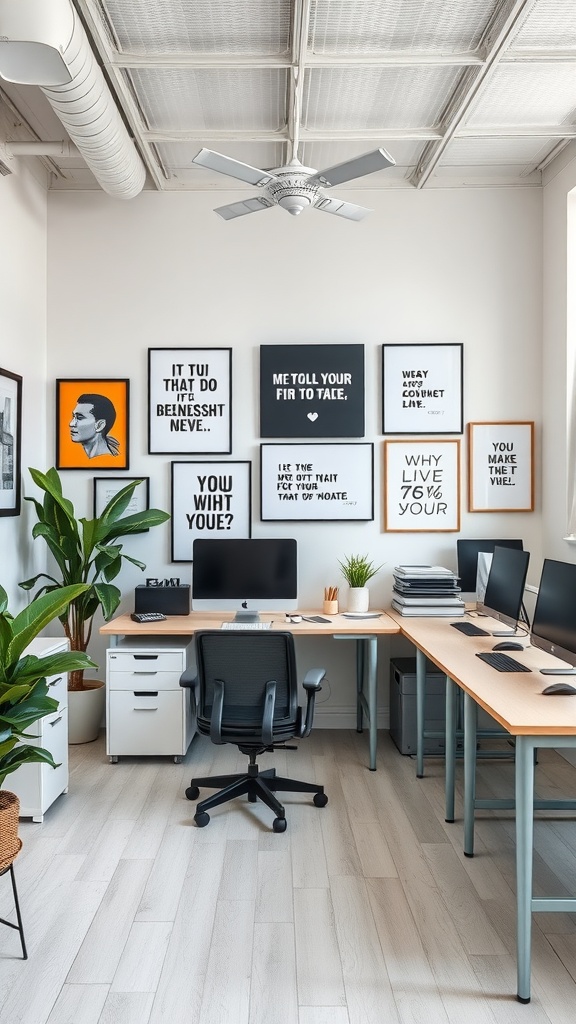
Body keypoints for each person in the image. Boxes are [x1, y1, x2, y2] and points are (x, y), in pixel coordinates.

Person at [69, 393, 120, 458]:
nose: (71, 424)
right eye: (73, 417)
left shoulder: (108, 460)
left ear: (100, 425)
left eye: (80, 418)